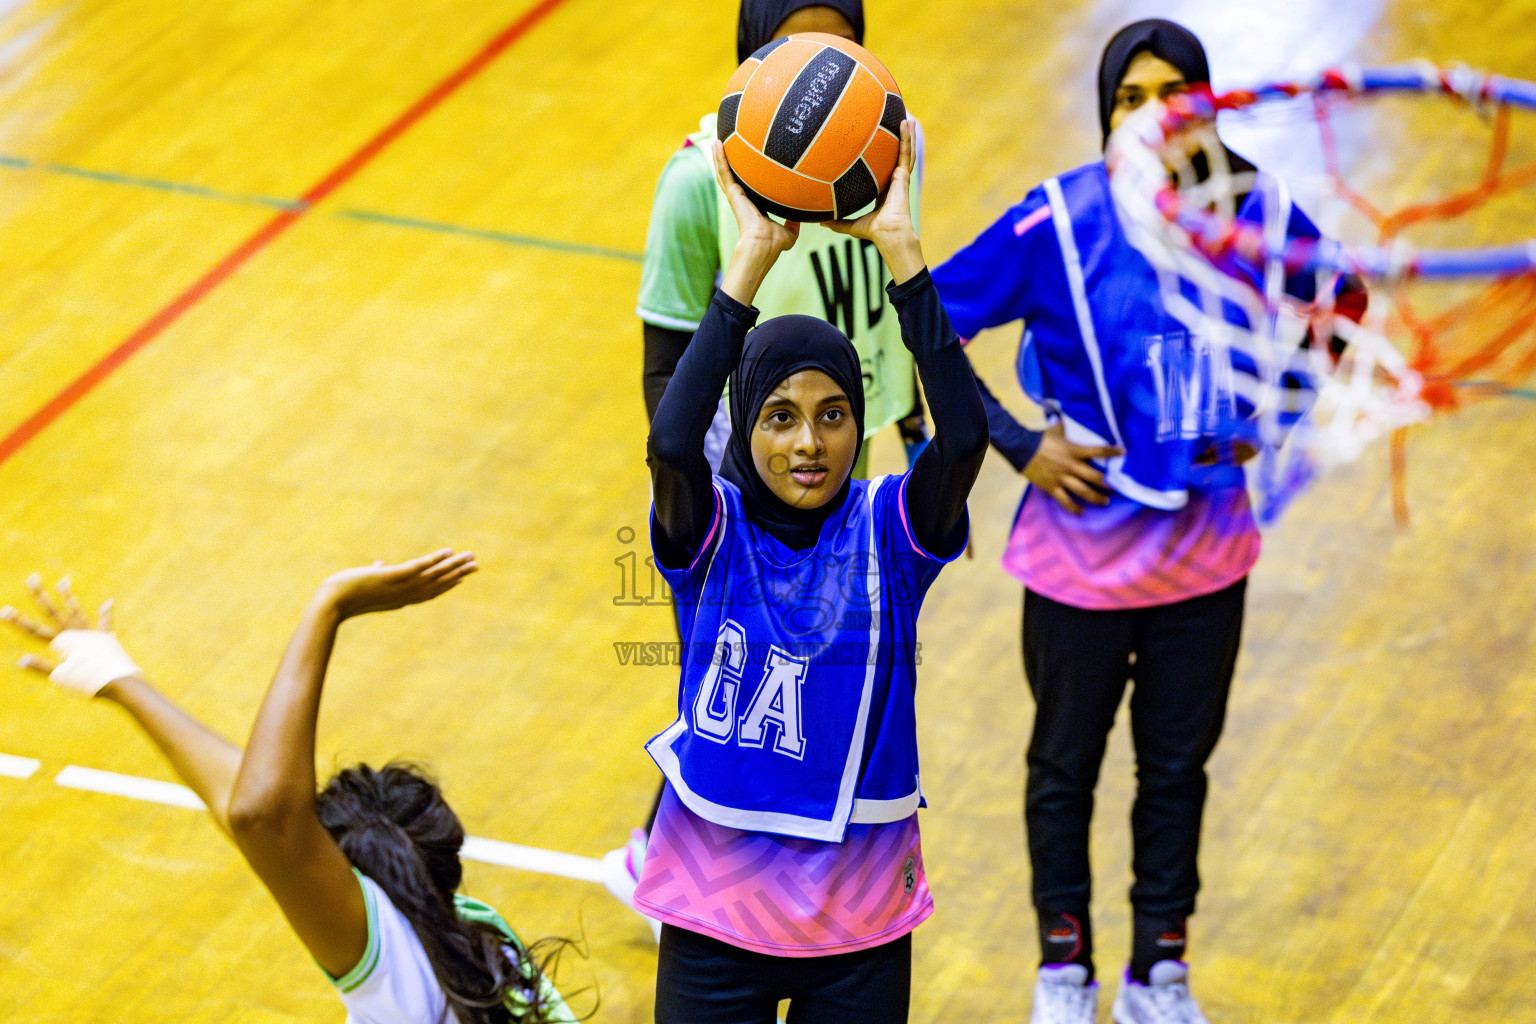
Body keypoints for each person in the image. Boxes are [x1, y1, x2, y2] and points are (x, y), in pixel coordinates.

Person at [931, 19, 1364, 1024]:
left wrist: (1276, 402)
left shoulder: (1253, 211)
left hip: (1205, 559)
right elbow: (927, 318)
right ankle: (1064, 973)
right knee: (1063, 768)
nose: (1153, 111)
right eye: (1131, 96)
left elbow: (1339, 300)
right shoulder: (1052, 225)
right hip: (1079, 558)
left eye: (1174, 91)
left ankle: (1156, 977)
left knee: (1177, 770)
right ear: (1105, 117)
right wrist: (1015, 441)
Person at [637, 121, 985, 1024]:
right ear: (745, 427)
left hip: (858, 922)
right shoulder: (709, 532)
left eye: (834, 415)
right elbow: (672, 443)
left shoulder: (891, 531)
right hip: (716, 915)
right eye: (781, 416)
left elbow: (967, 439)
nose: (808, 442)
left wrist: (904, 257)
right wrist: (750, 259)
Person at [607, 0, 932, 935]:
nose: (819, 73)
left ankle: (723, 863)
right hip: (734, 476)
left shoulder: (887, 147)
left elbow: (881, 307)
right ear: (749, 63)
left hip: (835, 447)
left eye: (840, 48)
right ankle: (678, 859)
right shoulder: (690, 182)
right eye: (794, 49)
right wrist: (702, 499)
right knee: (736, 682)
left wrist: (904, 415)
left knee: (826, 680)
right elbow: (666, 364)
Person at [2, 553, 578, 1024]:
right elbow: (256, 813)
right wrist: (121, 682)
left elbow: (264, 818)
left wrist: (329, 606)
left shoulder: (384, 955)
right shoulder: (479, 933)